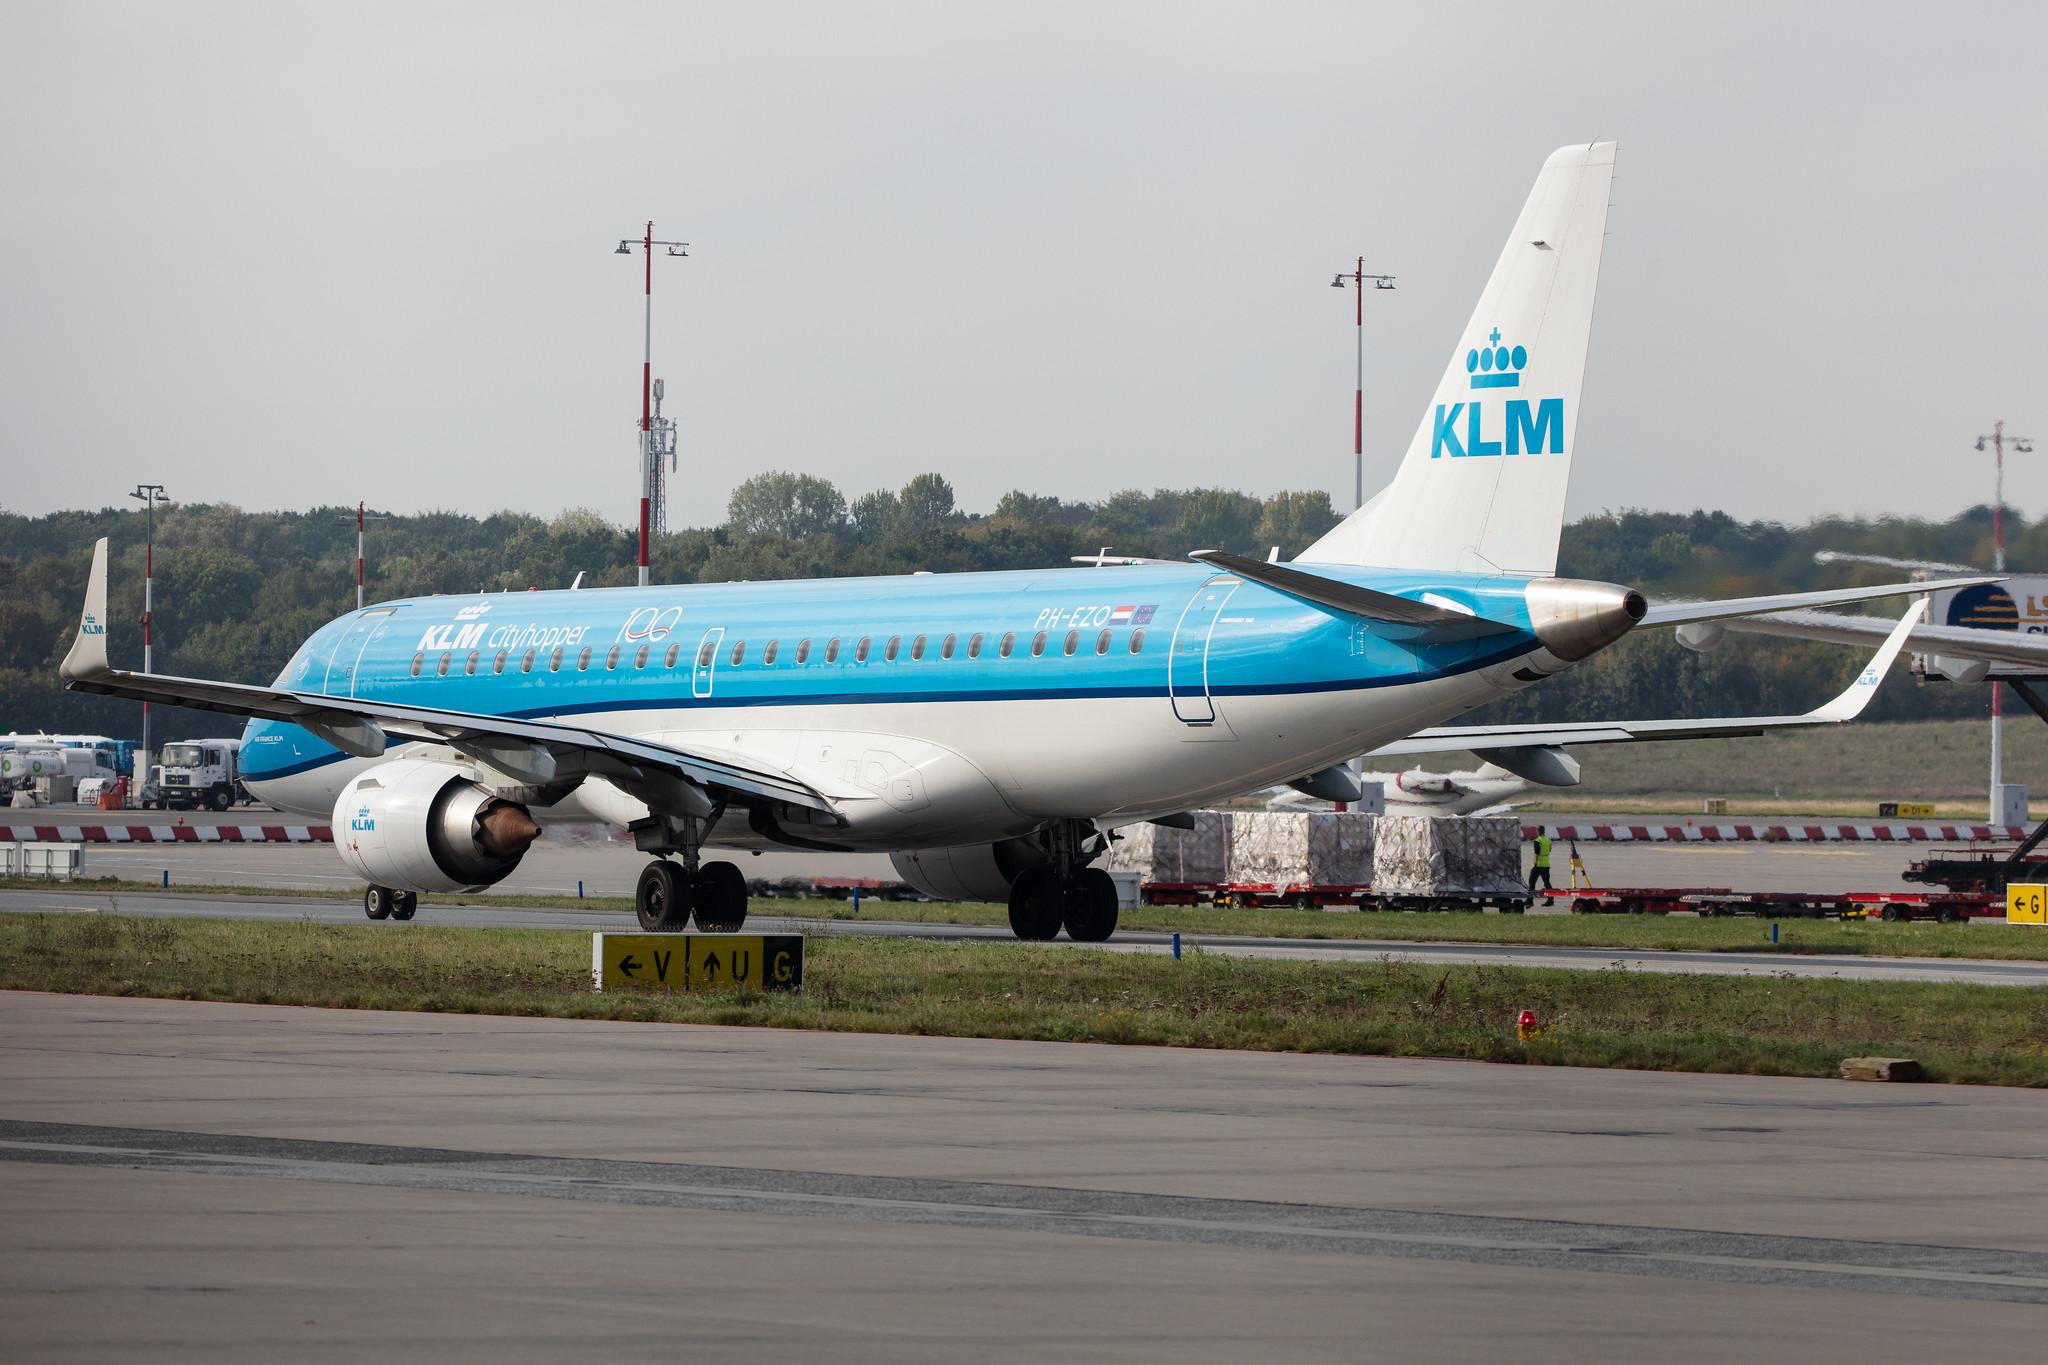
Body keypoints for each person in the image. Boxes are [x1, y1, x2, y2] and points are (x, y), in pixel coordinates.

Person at [1527, 830, 1553, 896]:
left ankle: (1530, 900)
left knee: (1532, 881)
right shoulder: (1548, 840)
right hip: (1546, 864)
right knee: (1547, 883)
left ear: (1538, 832)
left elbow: (1536, 853)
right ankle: (1550, 900)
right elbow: (1550, 850)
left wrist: (1535, 862)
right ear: (1544, 831)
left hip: (1538, 865)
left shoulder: (1537, 841)